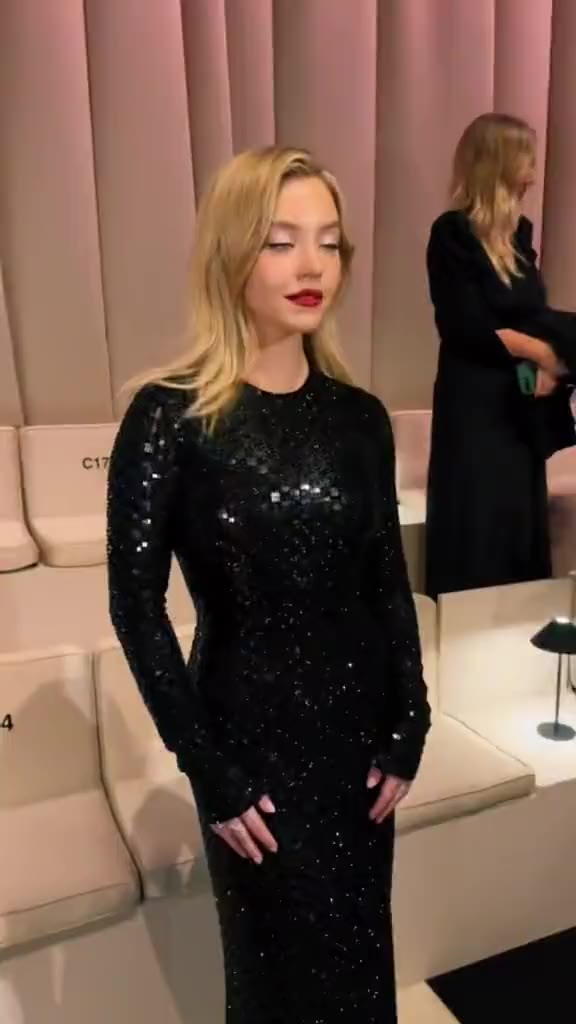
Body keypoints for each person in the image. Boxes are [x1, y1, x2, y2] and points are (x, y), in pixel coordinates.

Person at [106, 146, 431, 1023]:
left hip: (359, 754)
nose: (311, 265)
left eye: (328, 242)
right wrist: (207, 768)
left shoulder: (360, 419)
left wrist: (412, 719)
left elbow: (386, 582)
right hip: (250, 755)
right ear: (232, 251)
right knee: (273, 985)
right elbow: (136, 608)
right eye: (281, 241)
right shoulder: (170, 416)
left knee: (360, 969)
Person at [425, 112, 574, 600]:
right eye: (526, 160)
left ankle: (515, 621)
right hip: (475, 400)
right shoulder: (452, 233)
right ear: (498, 164)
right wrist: (543, 353)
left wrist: (547, 362)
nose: (533, 173)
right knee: (479, 516)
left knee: (516, 516)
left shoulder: (519, 233)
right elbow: (465, 327)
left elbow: (530, 314)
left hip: (517, 401)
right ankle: (468, 622)